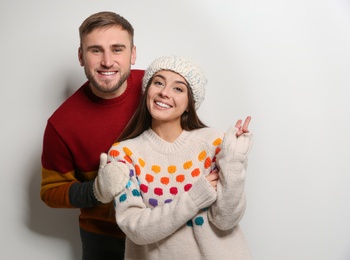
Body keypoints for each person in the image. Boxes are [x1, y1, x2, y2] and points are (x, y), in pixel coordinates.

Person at [101, 56, 253, 259]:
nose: (164, 92)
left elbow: (226, 220)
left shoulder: (216, 143)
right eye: (158, 82)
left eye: (178, 88)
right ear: (148, 91)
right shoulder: (123, 153)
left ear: (190, 103)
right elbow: (135, 228)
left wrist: (234, 161)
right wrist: (195, 197)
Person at [40, 11, 144, 259]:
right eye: (96, 50)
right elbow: (50, 192)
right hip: (105, 238)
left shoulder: (156, 88)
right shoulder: (61, 124)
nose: (107, 61)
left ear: (133, 54)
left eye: (117, 49)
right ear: (81, 56)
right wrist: (96, 191)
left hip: (169, 228)